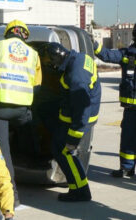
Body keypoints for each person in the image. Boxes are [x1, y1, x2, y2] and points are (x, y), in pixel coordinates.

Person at [0, 19, 42, 204]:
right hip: (21, 110)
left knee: (2, 154)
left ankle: (11, 198)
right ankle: (36, 164)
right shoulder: (34, 54)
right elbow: (37, 86)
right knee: (28, 133)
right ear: (24, 35)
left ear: (8, 32)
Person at [37, 42, 101, 201]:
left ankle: (80, 190)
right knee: (44, 109)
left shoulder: (75, 78)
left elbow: (81, 109)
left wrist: (74, 137)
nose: (52, 65)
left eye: (52, 62)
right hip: (75, 113)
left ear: (57, 58)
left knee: (63, 150)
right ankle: (78, 185)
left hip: (77, 120)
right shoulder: (80, 58)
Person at [93, 24, 136, 177]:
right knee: (128, 138)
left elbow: (107, 55)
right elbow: (107, 55)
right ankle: (127, 168)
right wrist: (95, 46)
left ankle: (127, 168)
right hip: (131, 108)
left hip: (131, 108)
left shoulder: (128, 54)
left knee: (129, 138)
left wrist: (94, 45)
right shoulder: (128, 53)